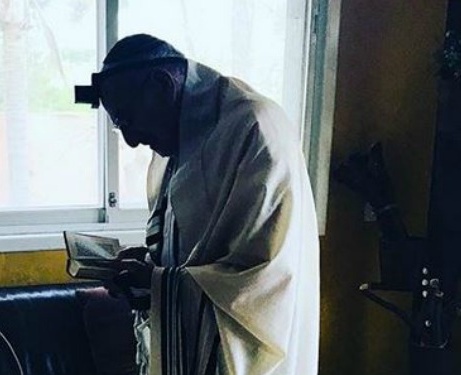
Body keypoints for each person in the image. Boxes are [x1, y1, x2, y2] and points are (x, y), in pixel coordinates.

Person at [74, 34, 320, 375]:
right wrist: (149, 264)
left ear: (162, 85)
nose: (131, 141)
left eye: (128, 120)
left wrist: (160, 284)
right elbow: (197, 249)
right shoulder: (178, 140)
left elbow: (263, 281)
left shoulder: (253, 128)